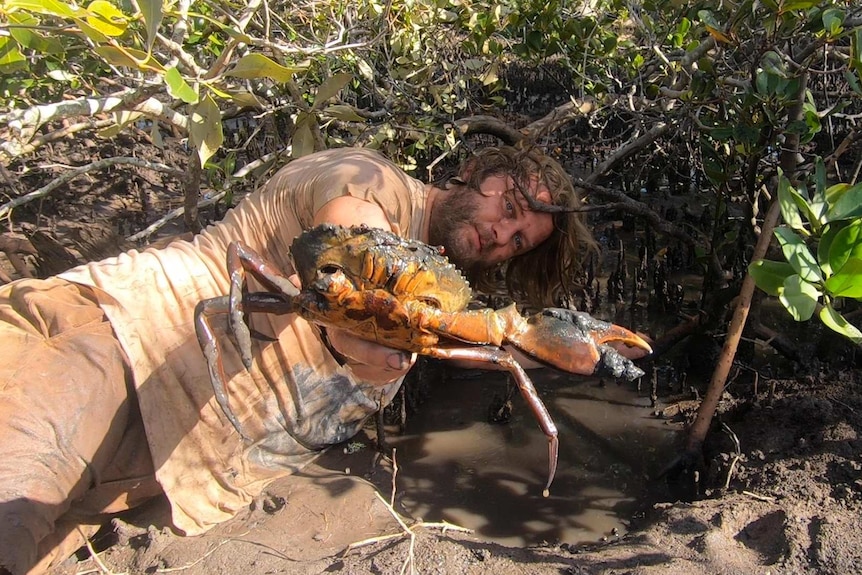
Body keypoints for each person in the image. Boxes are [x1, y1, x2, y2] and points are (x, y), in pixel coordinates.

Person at [0, 144, 598, 574]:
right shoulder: (371, 178)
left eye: (519, 240)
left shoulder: (446, 293)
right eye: (510, 208)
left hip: (161, 474)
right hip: (120, 344)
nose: (502, 234)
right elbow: (349, 233)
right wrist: (356, 304)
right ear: (475, 172)